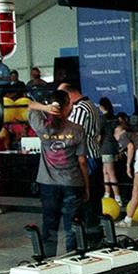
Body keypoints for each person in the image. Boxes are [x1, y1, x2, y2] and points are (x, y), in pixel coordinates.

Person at [28, 90, 89, 256]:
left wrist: (45, 107)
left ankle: (48, 259)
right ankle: (74, 258)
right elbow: (82, 161)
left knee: (49, 224)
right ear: (67, 106)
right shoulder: (77, 129)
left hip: (48, 184)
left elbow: (29, 105)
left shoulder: (42, 127)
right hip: (72, 182)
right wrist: (86, 186)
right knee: (73, 225)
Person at [59, 80, 102, 237]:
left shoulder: (80, 109)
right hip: (93, 154)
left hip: (86, 157)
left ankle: (87, 234)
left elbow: (72, 135)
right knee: (92, 199)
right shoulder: (91, 105)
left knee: (86, 198)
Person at [97, 97, 122, 202]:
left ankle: (117, 196)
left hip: (106, 148)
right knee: (105, 171)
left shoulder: (102, 119)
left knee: (110, 172)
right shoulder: (115, 118)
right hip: (114, 147)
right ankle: (107, 193)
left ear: (102, 107)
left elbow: (98, 135)